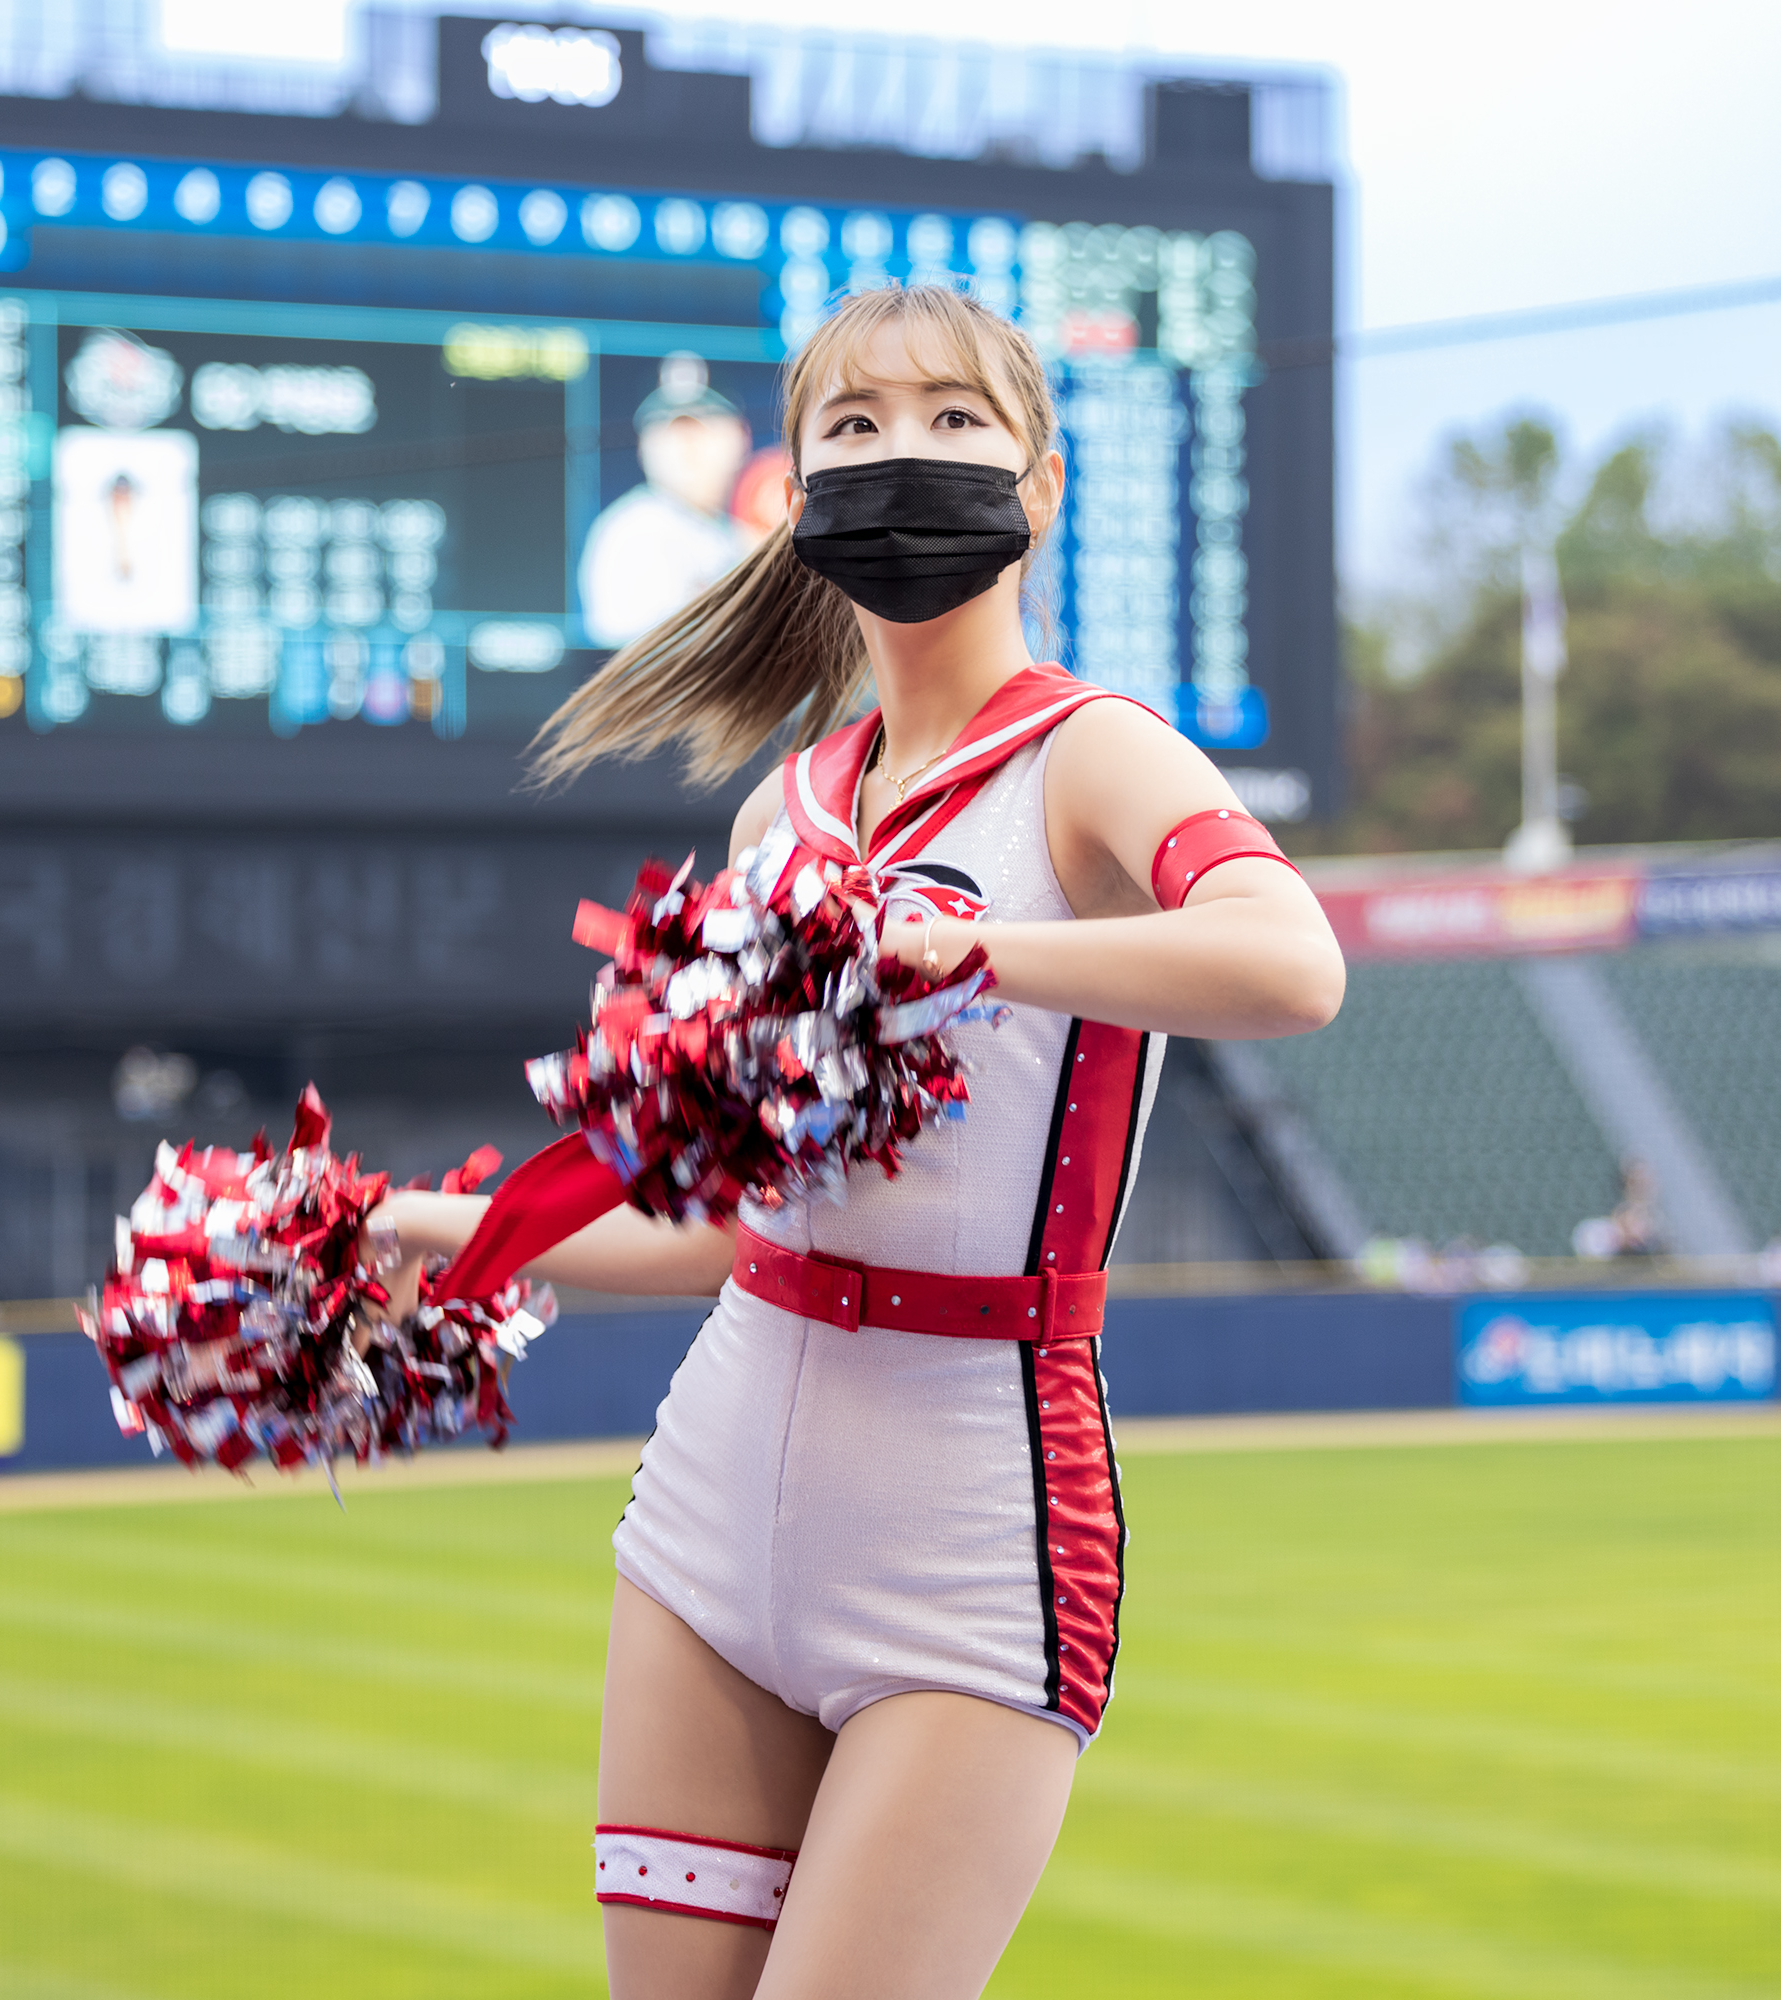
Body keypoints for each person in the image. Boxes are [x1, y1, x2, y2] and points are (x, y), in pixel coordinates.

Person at [376, 284, 1343, 2000]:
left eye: (956, 419)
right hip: (708, 1507)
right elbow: (724, 1227)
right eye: (856, 424)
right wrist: (438, 1229)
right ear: (797, 487)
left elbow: (1293, 964)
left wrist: (981, 951)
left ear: (1040, 481)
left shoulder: (1093, 756)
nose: (906, 453)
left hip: (968, 1530)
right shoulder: (786, 811)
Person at [577, 353, 765, 647]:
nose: (684, 443)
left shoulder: (741, 538)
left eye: (701, 421)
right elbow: (644, 662)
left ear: (741, 435)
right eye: (666, 425)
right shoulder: (634, 532)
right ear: (642, 446)